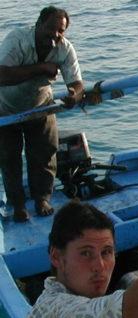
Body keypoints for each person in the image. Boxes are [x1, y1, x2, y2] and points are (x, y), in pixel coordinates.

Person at [0, 6, 85, 223]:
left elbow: (76, 83)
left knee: (45, 153)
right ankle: (17, 204)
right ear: (38, 24)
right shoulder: (17, 39)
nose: (55, 35)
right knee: (9, 158)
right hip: (4, 108)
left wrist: (73, 95)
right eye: (51, 29)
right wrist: (41, 68)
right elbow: (2, 75)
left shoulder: (65, 49)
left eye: (61, 31)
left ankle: (42, 199)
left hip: (41, 106)